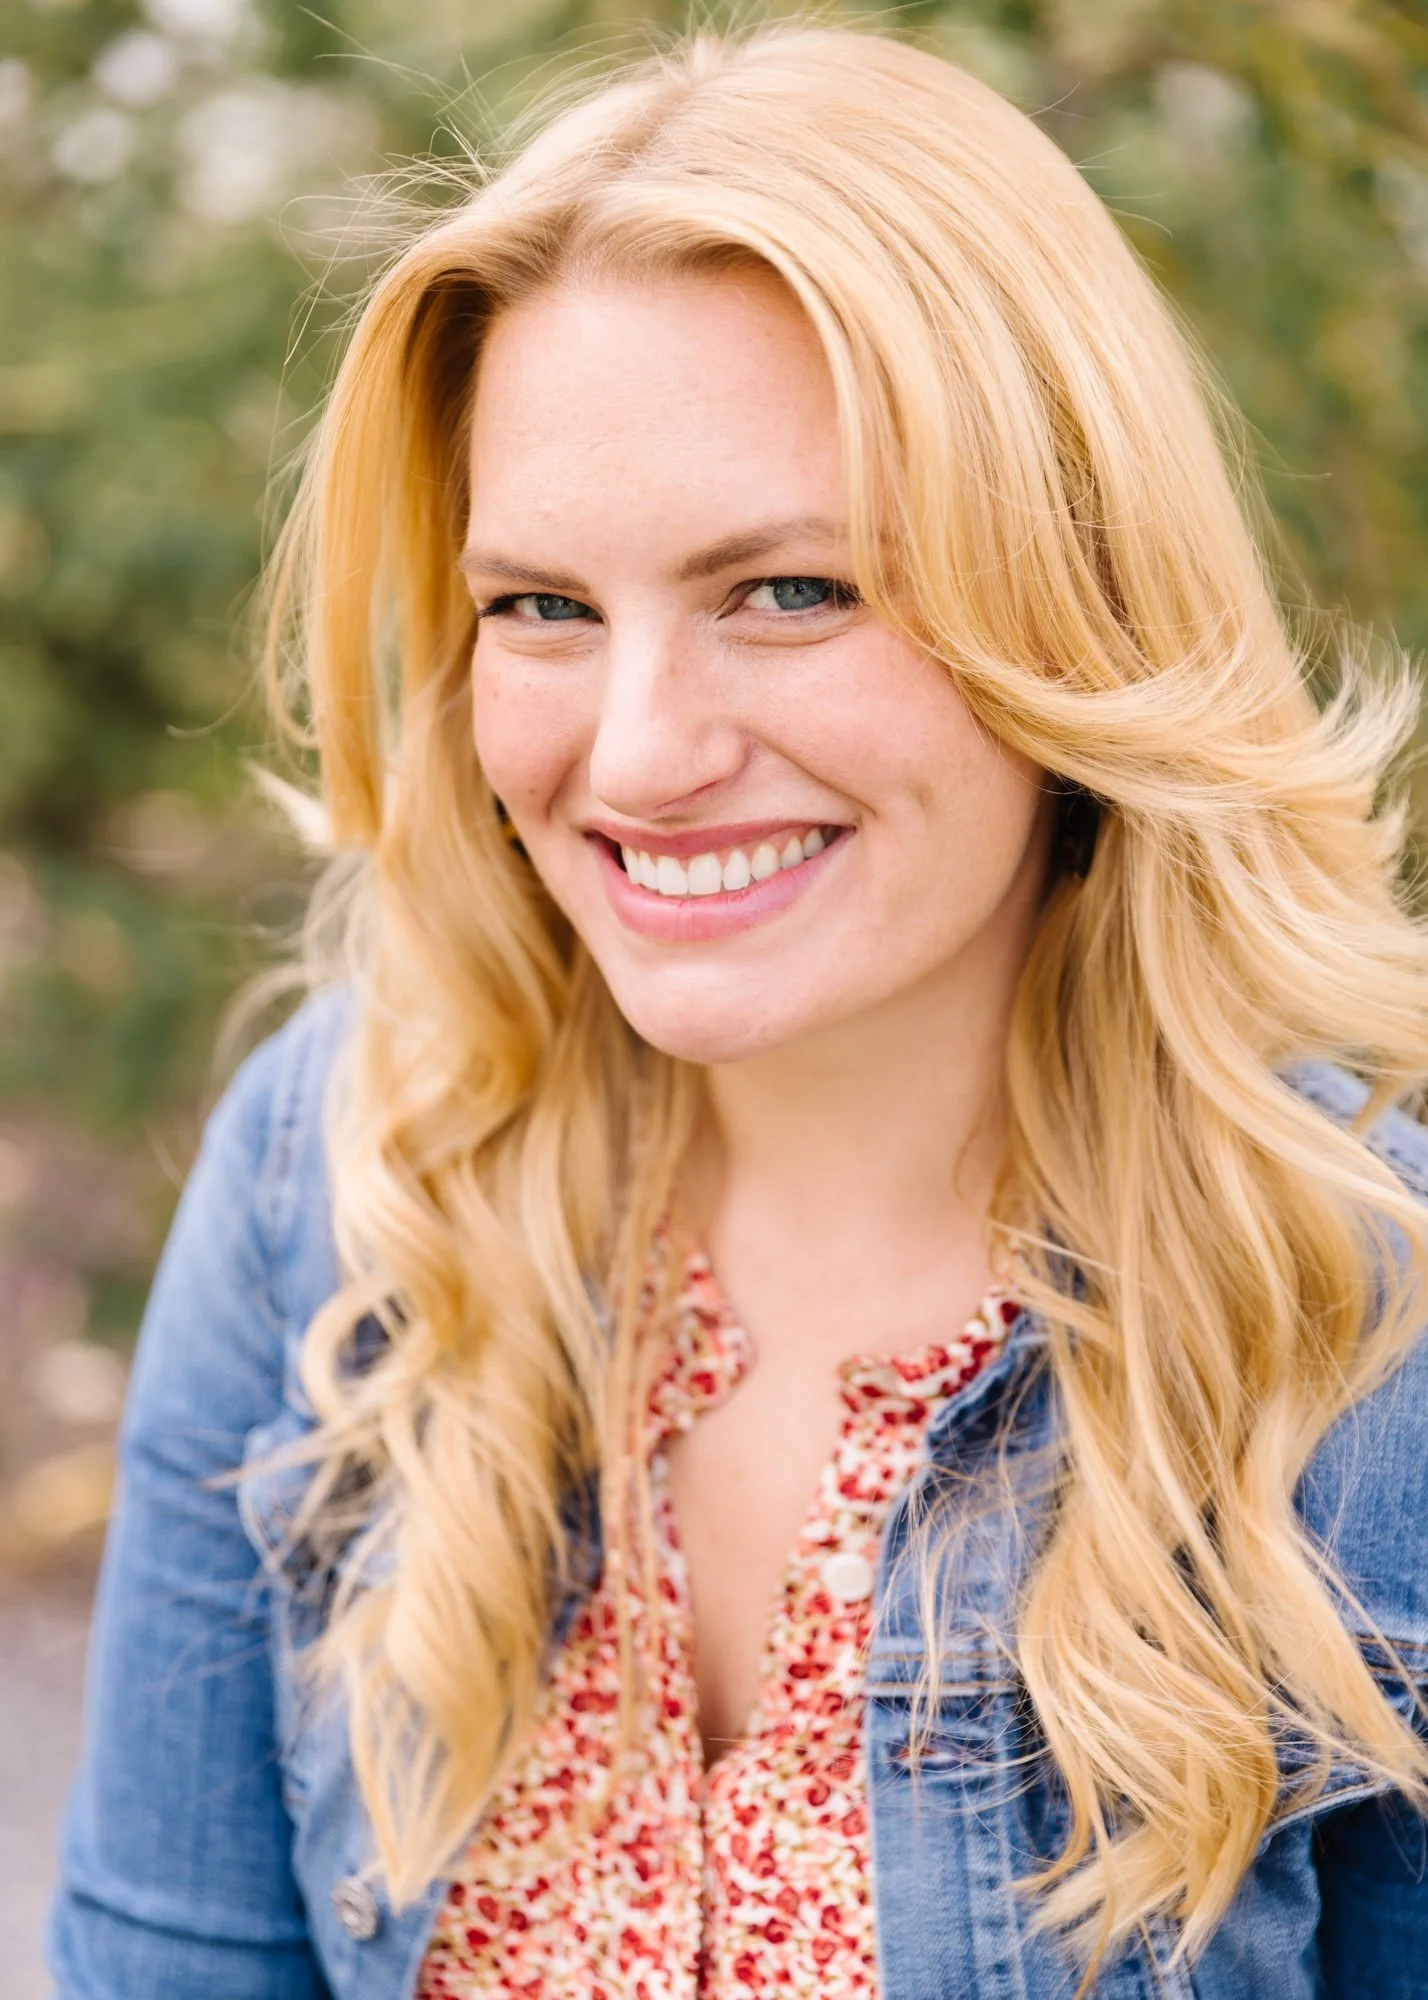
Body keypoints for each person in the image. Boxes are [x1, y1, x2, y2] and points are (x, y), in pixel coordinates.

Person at [46, 23, 1428, 2000]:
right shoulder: (335, 1178)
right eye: (542, 607)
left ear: (1076, 604)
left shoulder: (1364, 1335)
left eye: (788, 591)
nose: (639, 754)